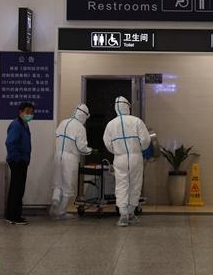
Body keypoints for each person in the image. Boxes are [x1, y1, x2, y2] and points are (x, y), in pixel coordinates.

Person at [103, 96, 151, 227]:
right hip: (135, 157)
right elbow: (146, 140)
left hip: (120, 158)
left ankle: (123, 215)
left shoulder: (110, 124)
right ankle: (131, 212)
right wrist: (139, 149)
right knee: (135, 184)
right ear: (127, 107)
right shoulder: (137, 121)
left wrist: (117, 151)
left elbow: (107, 144)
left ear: (116, 107)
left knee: (121, 184)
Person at [49, 104, 93, 219]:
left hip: (58, 155)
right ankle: (61, 212)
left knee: (58, 181)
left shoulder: (63, 122)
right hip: (70, 158)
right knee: (68, 185)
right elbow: (81, 147)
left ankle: (55, 200)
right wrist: (90, 151)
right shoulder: (80, 128)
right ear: (84, 115)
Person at [5, 102, 34, 225]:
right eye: (27, 112)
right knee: (17, 189)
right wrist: (18, 159)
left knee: (18, 189)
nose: (29, 114)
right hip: (17, 161)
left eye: (31, 112)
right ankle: (13, 217)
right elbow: (10, 143)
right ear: (20, 112)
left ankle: (13, 215)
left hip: (22, 161)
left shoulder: (24, 125)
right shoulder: (16, 125)